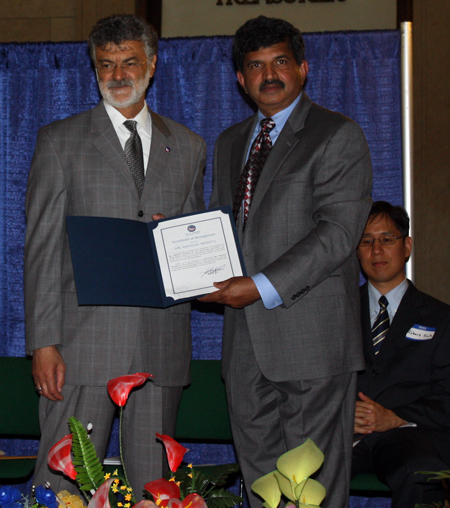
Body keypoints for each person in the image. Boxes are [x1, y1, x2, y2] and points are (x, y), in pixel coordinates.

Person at [24, 14, 206, 494]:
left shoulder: (188, 146)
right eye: (106, 65)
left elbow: (191, 244)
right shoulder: (59, 141)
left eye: (129, 62)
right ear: (95, 69)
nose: (119, 75)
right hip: (80, 347)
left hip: (160, 345)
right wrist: (44, 342)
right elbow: (41, 248)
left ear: (152, 64)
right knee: (60, 488)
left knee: (154, 490)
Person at [199, 15, 372, 508]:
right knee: (260, 482)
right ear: (241, 79)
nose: (268, 74)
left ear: (303, 69)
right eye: (255, 66)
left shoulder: (337, 134)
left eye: (279, 62)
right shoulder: (232, 141)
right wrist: (182, 237)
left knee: (311, 489)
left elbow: (337, 234)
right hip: (244, 345)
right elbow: (226, 228)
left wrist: (258, 285)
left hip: (312, 341)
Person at [353, 201, 450, 508]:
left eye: (387, 239)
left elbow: (447, 395)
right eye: (366, 241)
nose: (376, 250)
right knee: (293, 470)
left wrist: (393, 418)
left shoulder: (441, 318)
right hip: (342, 434)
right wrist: (342, 414)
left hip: (407, 435)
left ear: (406, 246)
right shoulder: (335, 313)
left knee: (423, 472)